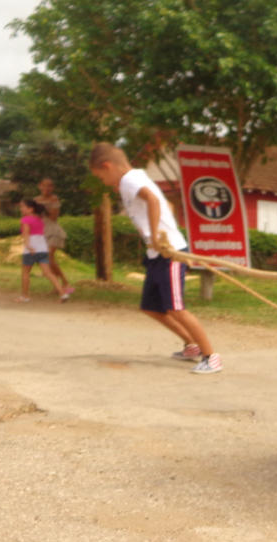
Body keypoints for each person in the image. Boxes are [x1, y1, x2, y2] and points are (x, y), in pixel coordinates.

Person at [88, 143, 222, 374]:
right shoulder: (133, 179)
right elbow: (165, 203)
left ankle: (210, 356)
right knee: (151, 307)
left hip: (168, 253)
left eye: (101, 177)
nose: (103, 182)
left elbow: (154, 200)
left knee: (176, 308)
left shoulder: (130, 180)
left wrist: (158, 236)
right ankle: (192, 346)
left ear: (107, 166)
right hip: (156, 254)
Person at [18, 199, 72, 302]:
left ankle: (25, 296)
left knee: (25, 273)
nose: (21, 209)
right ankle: (62, 293)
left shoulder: (25, 219)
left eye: (23, 207)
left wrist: (28, 246)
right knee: (48, 272)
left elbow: (26, 233)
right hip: (42, 248)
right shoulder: (39, 219)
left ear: (30, 209)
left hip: (31, 249)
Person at [35, 178, 74, 299]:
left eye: (50, 186)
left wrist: (44, 209)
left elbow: (54, 217)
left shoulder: (54, 199)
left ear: (53, 188)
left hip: (53, 231)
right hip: (42, 231)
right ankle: (57, 286)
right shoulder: (35, 200)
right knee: (47, 260)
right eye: (44, 186)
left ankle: (65, 282)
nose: (47, 188)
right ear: (39, 186)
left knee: (49, 257)